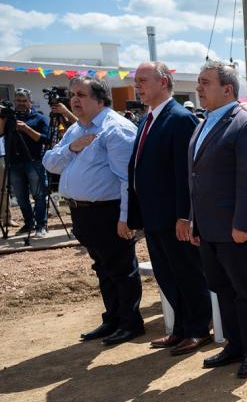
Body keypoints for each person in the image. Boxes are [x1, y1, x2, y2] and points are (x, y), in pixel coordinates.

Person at [42, 76, 143, 344]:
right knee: (102, 267)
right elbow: (50, 163)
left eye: (81, 95)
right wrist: (72, 148)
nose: (74, 100)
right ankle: (112, 319)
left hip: (108, 212)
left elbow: (126, 179)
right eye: (72, 94)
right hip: (82, 212)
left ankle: (130, 322)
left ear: (100, 99)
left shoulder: (115, 129)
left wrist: (126, 217)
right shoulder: (75, 131)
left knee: (121, 268)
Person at [190, 61, 247, 379]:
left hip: (238, 227)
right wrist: (196, 223)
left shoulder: (246, 123)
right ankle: (235, 345)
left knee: (244, 289)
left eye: (205, 82)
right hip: (211, 227)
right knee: (222, 288)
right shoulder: (204, 122)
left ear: (227, 89)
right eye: (198, 82)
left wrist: (243, 225)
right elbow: (196, 177)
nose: (199, 87)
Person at [129, 61, 212, 355]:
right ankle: (180, 328)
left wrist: (184, 215)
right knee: (167, 275)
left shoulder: (179, 118)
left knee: (187, 273)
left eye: (143, 80)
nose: (137, 85)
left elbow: (187, 173)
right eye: (135, 80)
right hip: (153, 216)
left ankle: (199, 329)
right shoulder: (147, 119)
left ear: (163, 82)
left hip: (173, 216)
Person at [0, 89, 50, 238]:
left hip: (33, 161)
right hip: (14, 162)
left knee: (39, 195)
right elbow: (1, 134)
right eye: (18, 101)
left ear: (30, 101)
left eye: (24, 101)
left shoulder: (39, 117)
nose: (21, 104)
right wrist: (3, 119)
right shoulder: (9, 118)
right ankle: (29, 223)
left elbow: (45, 140)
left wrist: (26, 128)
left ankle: (41, 225)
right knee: (21, 197)